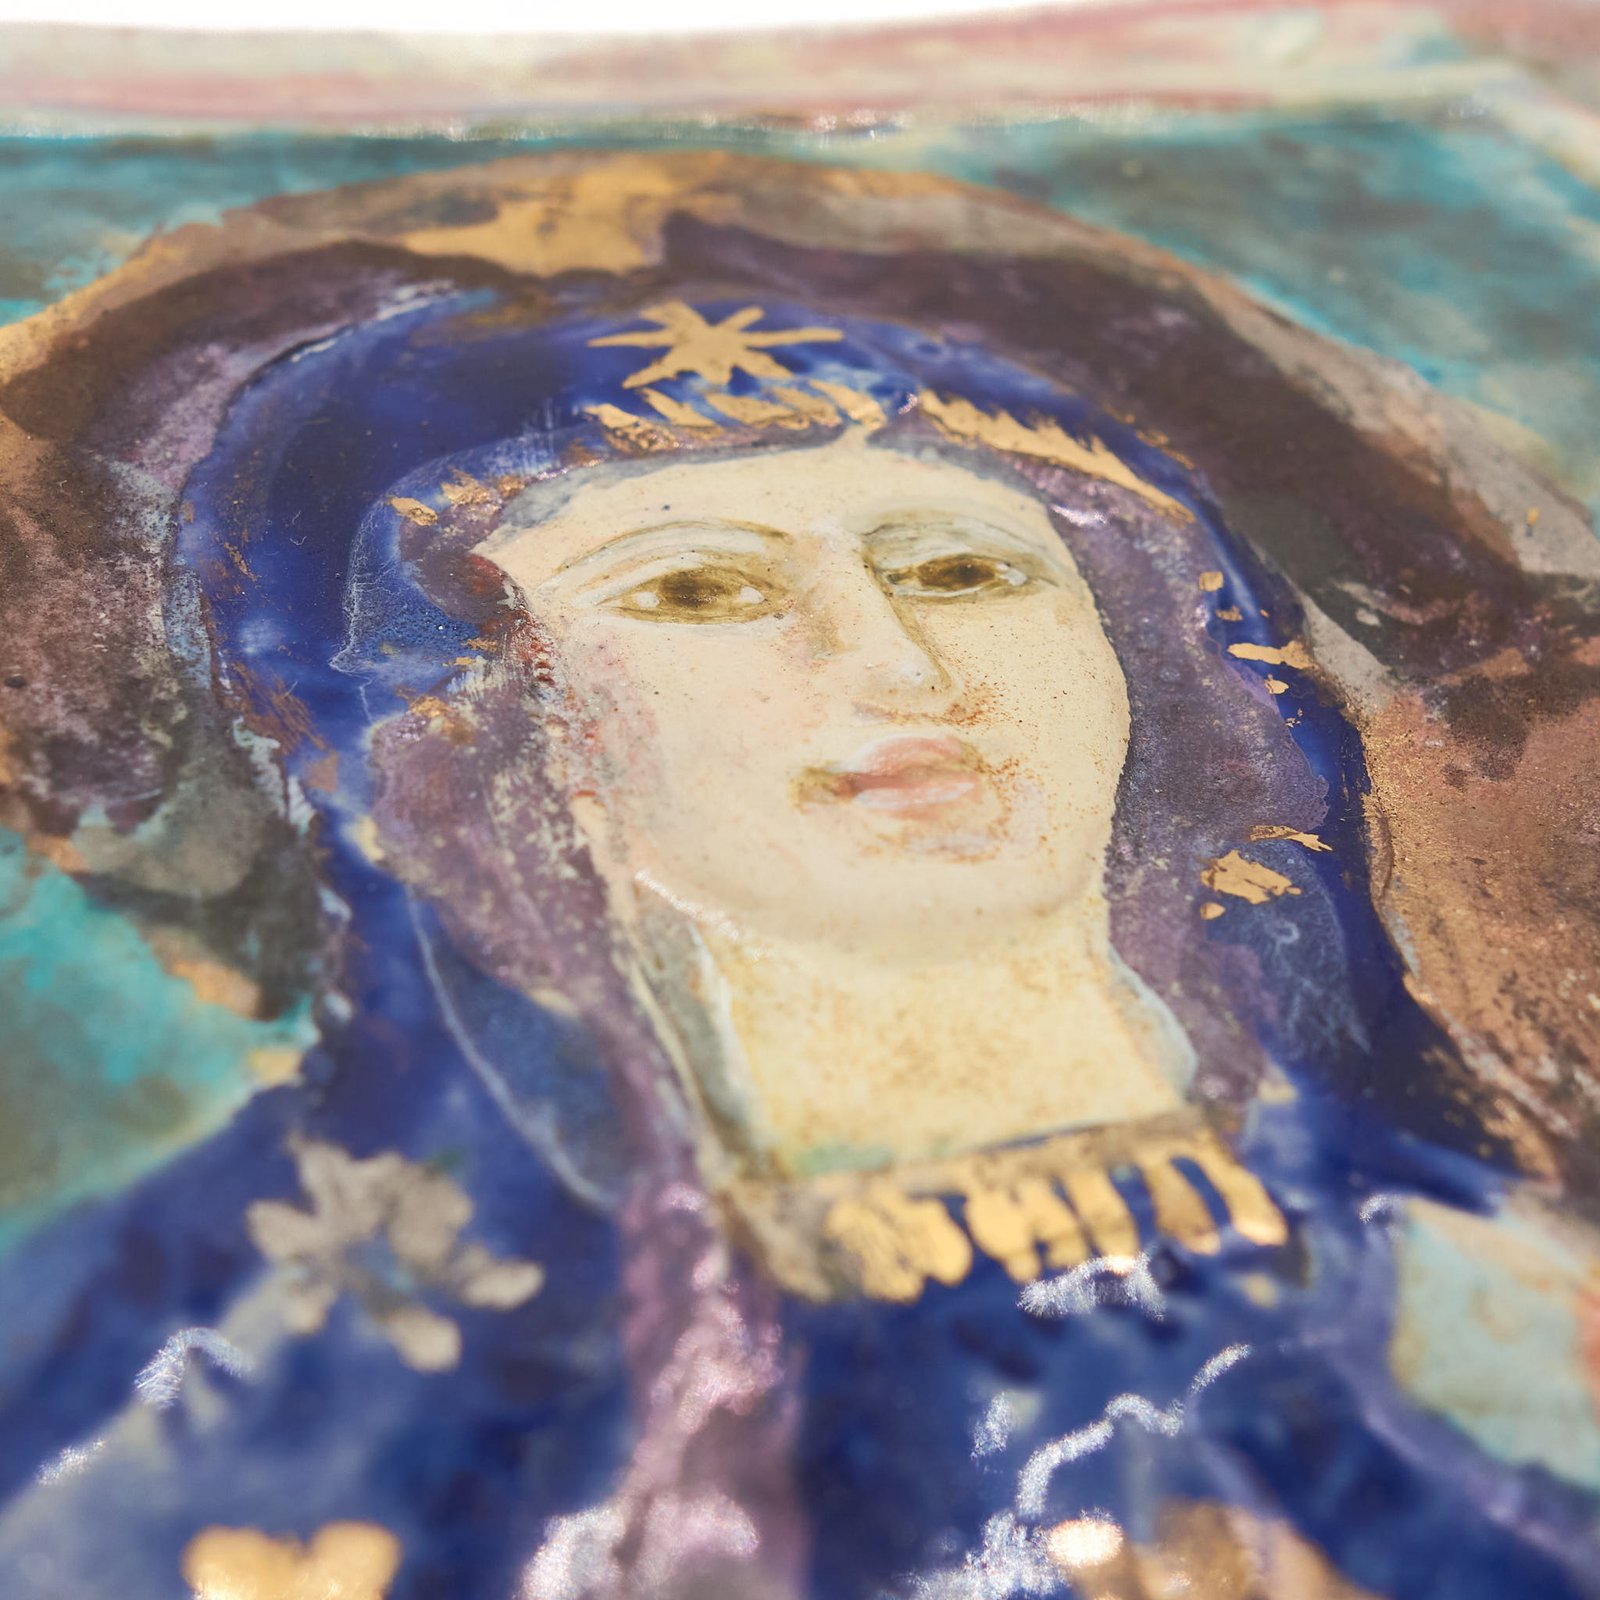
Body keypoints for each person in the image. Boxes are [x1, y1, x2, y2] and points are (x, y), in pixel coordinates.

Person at [1, 153, 1597, 1600]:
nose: (894, 666)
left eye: (964, 569)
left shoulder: (1496, 1272)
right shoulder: (225, 1359)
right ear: (491, 735)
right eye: (700, 591)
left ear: (1144, 651)